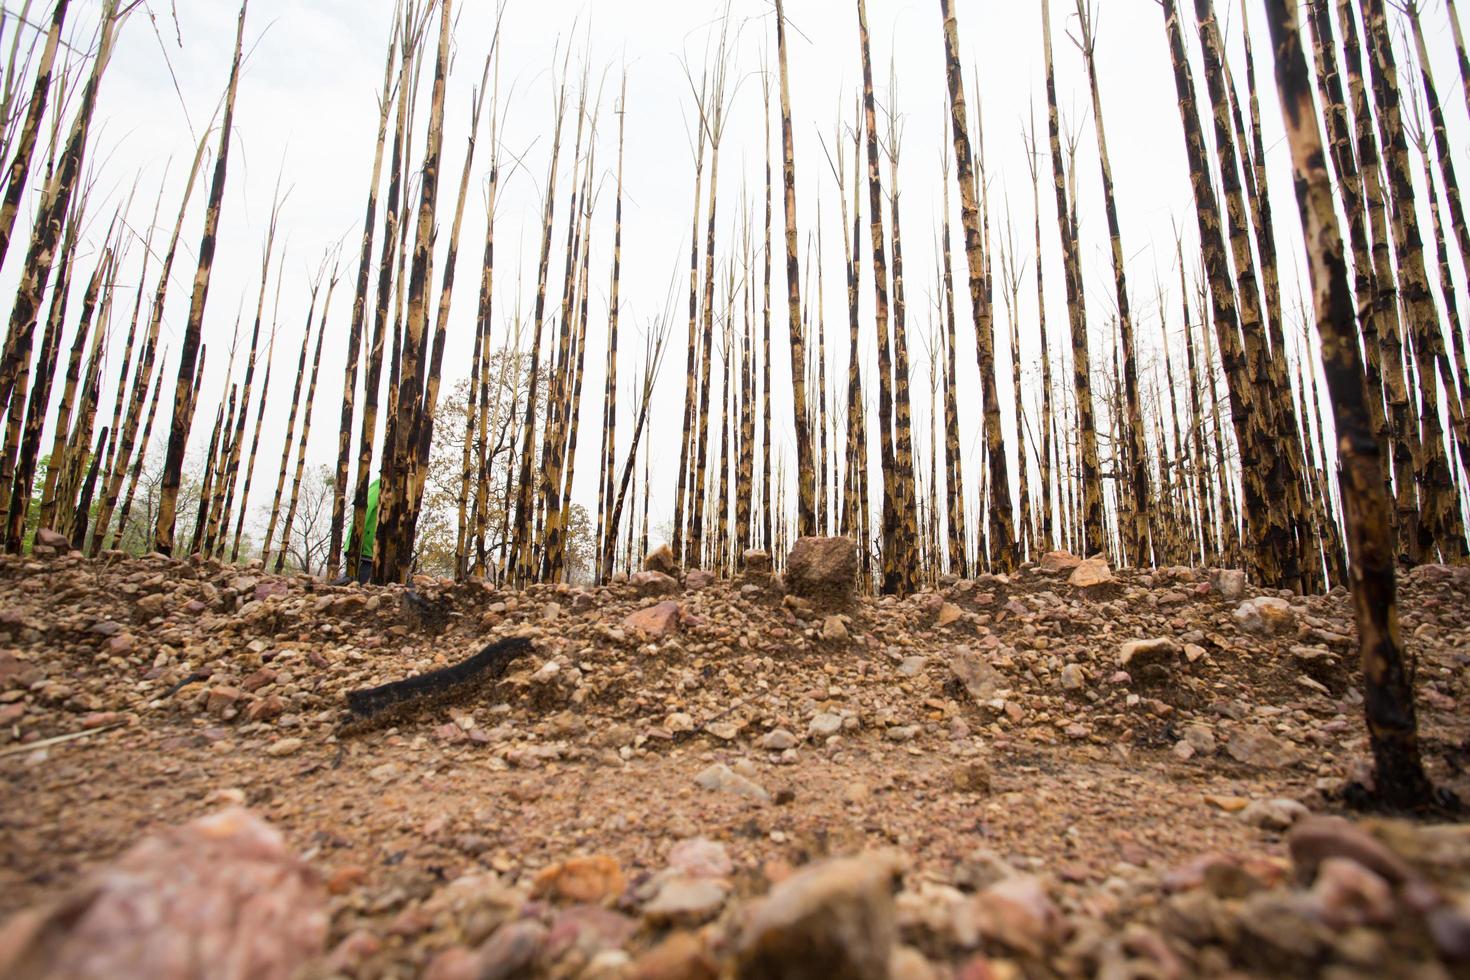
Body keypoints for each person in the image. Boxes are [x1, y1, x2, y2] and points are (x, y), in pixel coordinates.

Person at [334, 479, 379, 585]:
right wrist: (354, 543)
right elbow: (363, 512)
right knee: (354, 586)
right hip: (365, 551)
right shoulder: (381, 485)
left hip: (374, 554)